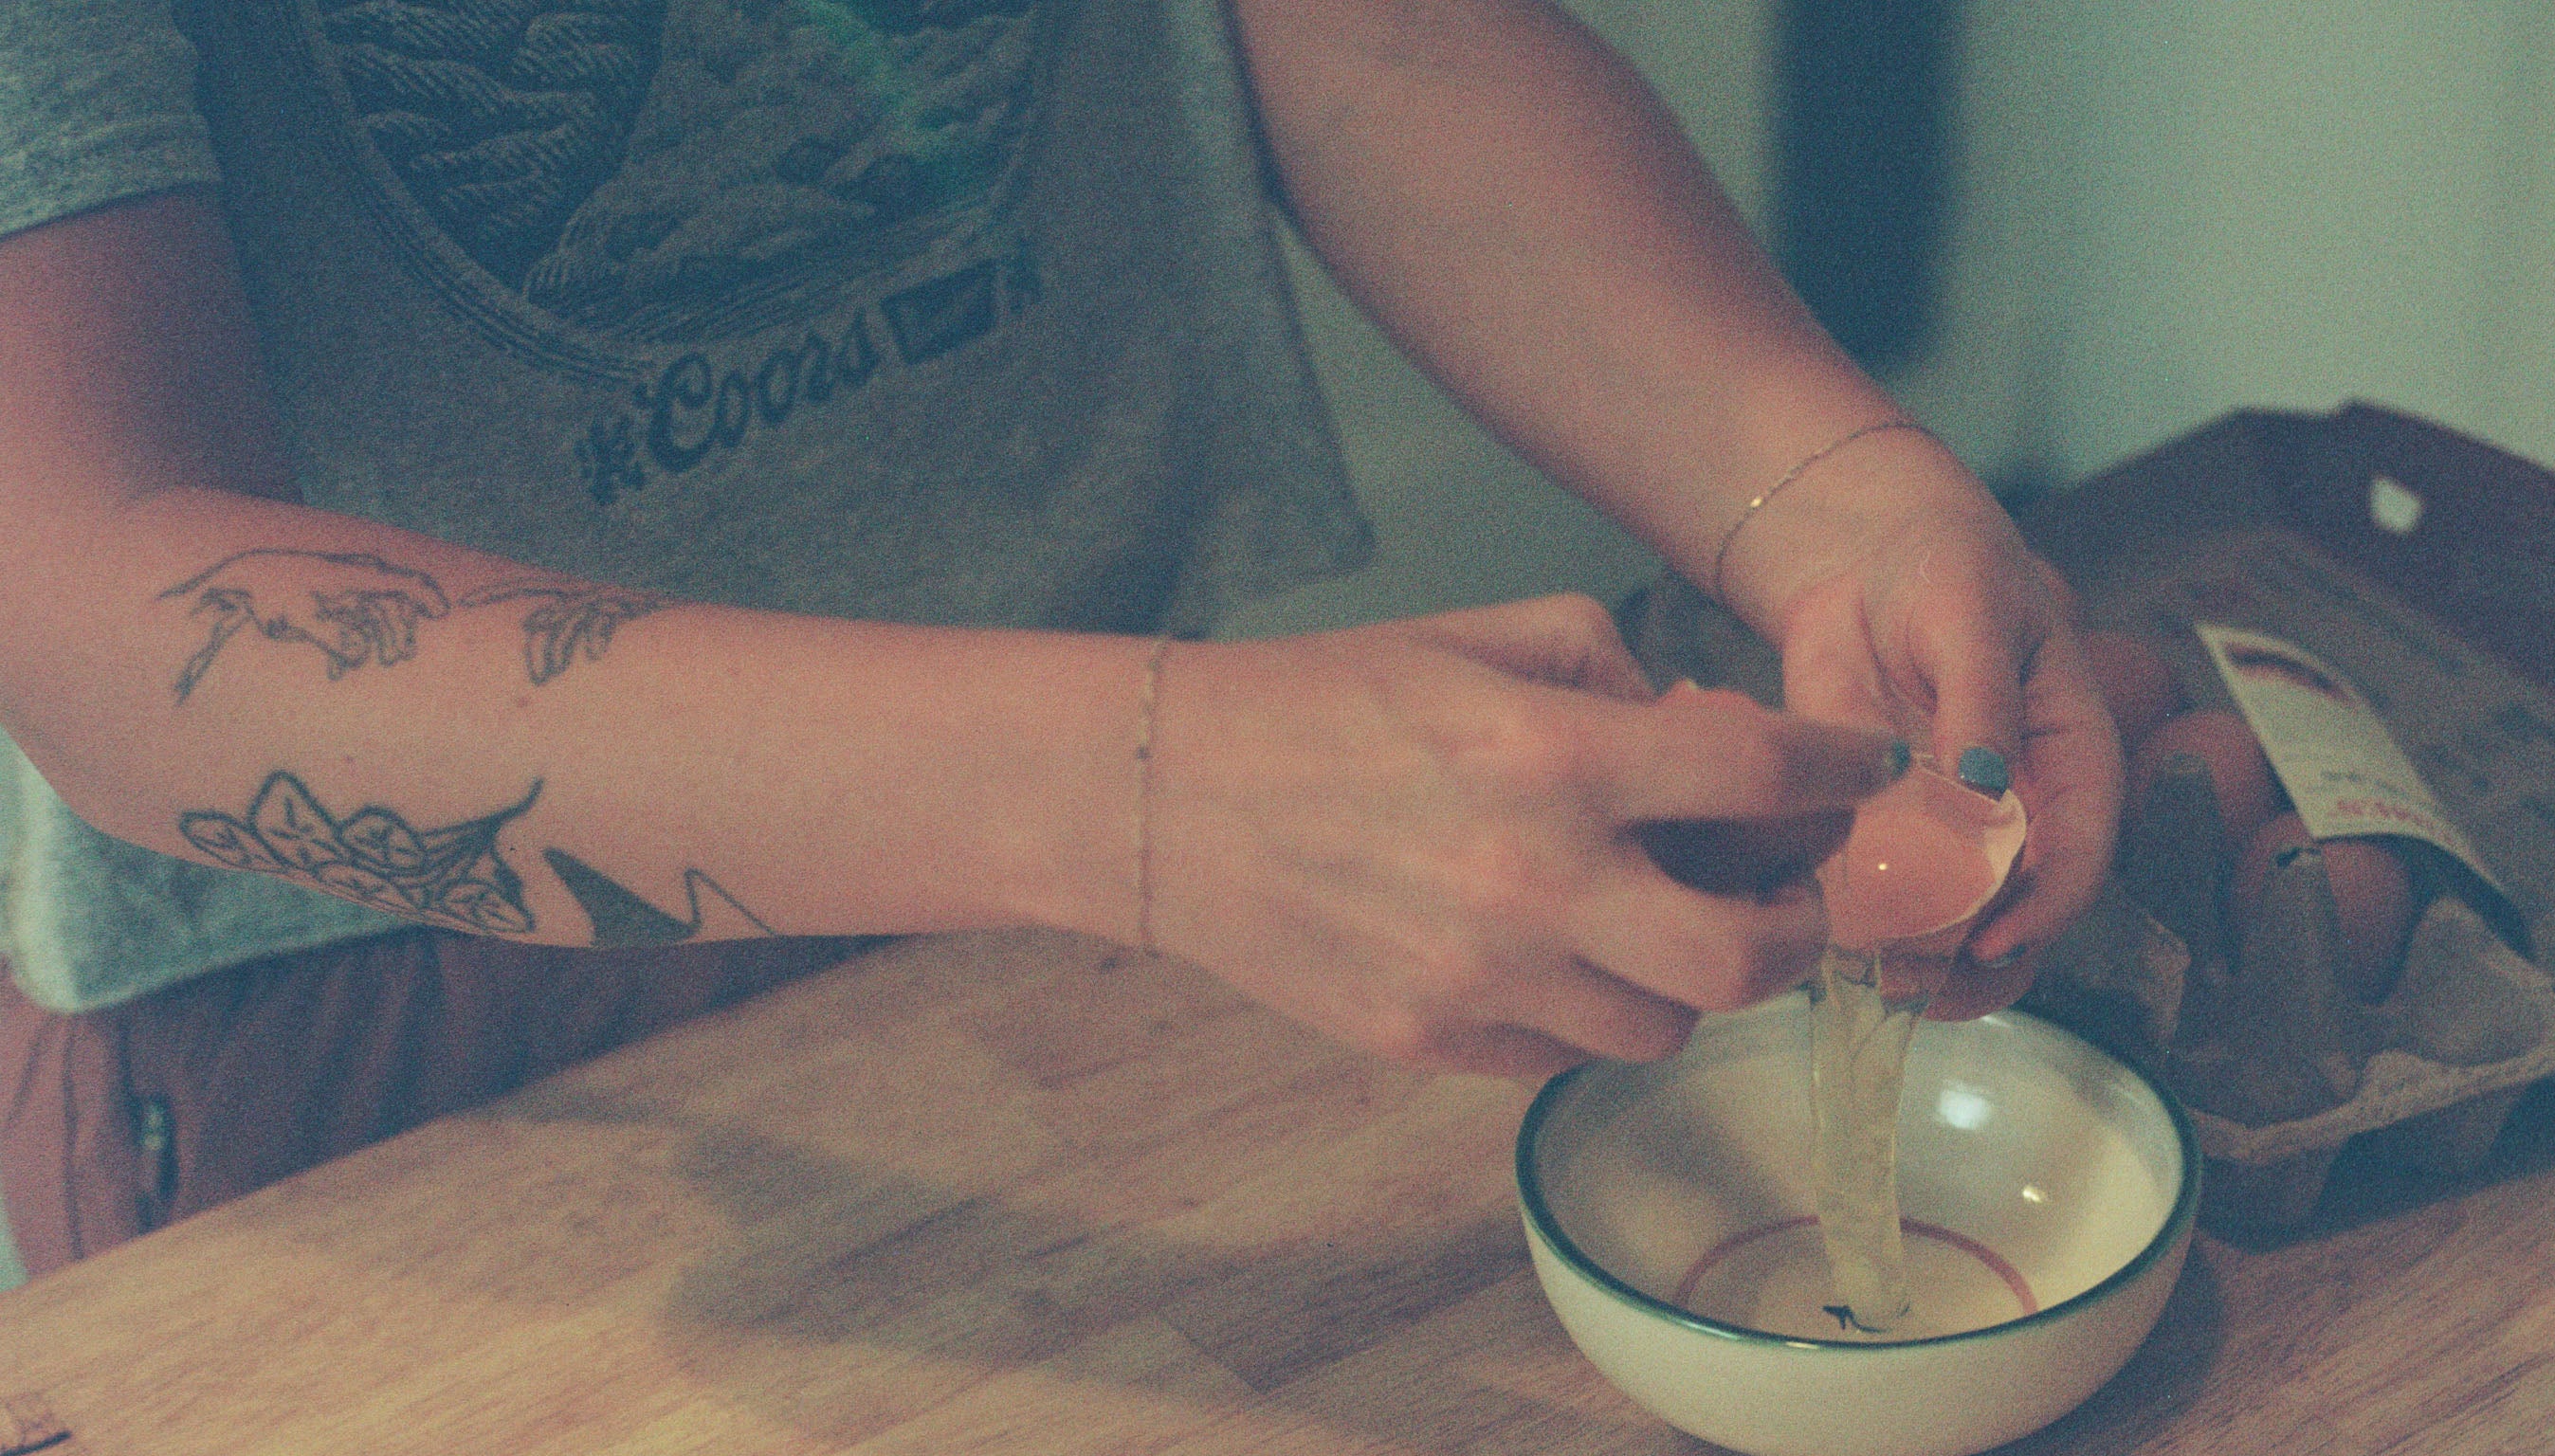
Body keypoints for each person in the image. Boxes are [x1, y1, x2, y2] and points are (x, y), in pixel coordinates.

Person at [0, 0, 2119, 1283]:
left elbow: (1367, 32)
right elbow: (109, 612)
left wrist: (1829, 490)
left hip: (1117, 886)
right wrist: (1147, 789)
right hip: (393, 1014)